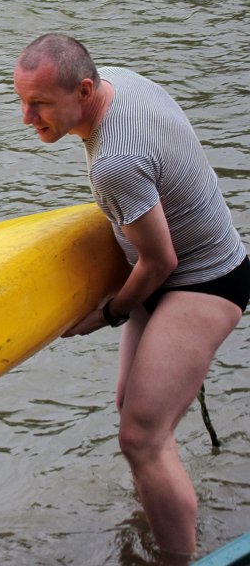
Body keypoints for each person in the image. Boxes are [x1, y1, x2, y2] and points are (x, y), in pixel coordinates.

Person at [13, 33, 250, 558]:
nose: (26, 119)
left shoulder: (114, 161)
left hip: (204, 279)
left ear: (84, 88)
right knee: (134, 413)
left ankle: (177, 557)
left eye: (40, 105)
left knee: (140, 437)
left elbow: (160, 260)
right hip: (178, 267)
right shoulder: (124, 82)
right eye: (22, 102)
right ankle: (160, 509)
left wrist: (108, 313)